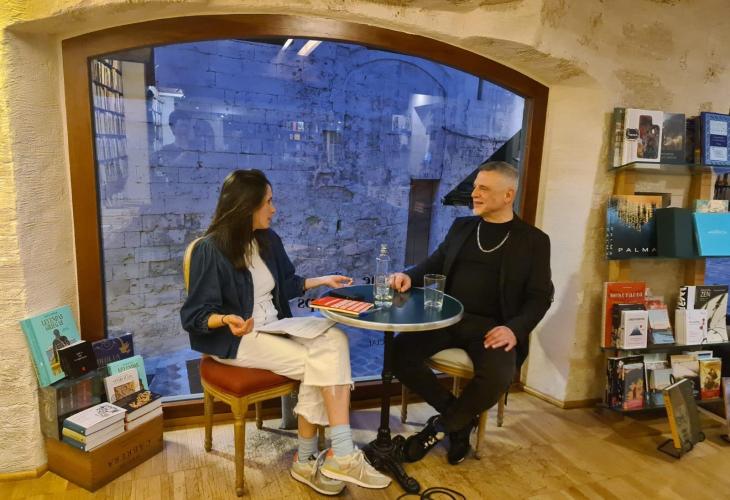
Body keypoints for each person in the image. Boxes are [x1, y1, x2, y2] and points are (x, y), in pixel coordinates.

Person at [180, 169, 390, 495]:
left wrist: (322, 280)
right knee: (320, 362)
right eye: (268, 202)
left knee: (335, 337)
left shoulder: (267, 240)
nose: (273, 208)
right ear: (246, 205)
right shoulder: (211, 249)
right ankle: (328, 456)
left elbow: (288, 284)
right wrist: (226, 319)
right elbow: (194, 316)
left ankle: (320, 458)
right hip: (237, 338)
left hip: (275, 327)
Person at [391, 160, 553, 465]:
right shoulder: (462, 227)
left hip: (493, 328)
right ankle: (459, 421)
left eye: (484, 189)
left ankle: (439, 428)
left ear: (508, 195)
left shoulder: (534, 241)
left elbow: (540, 297)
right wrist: (409, 276)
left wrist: (514, 329)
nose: (474, 194)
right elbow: (436, 262)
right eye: (476, 187)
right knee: (397, 353)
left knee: (499, 375)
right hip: (448, 319)